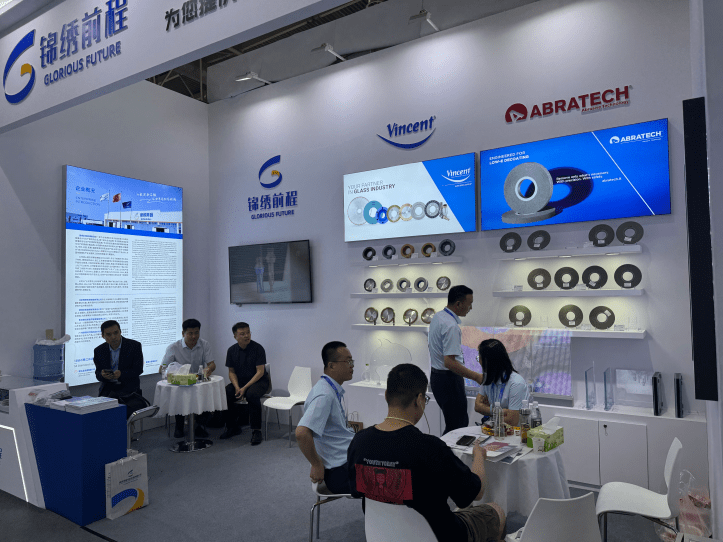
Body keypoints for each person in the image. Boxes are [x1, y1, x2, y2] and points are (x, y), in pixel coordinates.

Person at [347, 364, 505, 542]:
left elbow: (356, 491)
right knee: (496, 511)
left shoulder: (359, 442)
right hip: (439, 535)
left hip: (381, 534)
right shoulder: (430, 447)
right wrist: (478, 457)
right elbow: (475, 493)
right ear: (419, 400)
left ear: (386, 396)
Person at [296, 341, 356, 494]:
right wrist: (316, 464)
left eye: (352, 361)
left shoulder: (329, 388)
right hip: (339, 470)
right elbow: (301, 433)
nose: (352, 366)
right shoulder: (324, 395)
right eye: (348, 361)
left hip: (345, 458)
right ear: (331, 365)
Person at [428, 285, 483, 434]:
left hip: (437, 378)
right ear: (458, 304)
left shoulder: (438, 317)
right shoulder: (451, 326)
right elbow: (450, 362)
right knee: (458, 427)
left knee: (453, 423)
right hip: (449, 380)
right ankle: (445, 450)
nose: (471, 308)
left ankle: (444, 449)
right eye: (469, 304)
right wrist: (477, 376)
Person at [160, 318, 216, 438]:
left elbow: (212, 364)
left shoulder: (204, 344)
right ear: (183, 333)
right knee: (180, 395)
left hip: (198, 383)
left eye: (196, 333)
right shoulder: (173, 347)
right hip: (180, 384)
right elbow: (162, 368)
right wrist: (173, 372)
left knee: (208, 394)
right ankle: (179, 426)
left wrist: (208, 369)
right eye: (190, 333)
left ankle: (197, 425)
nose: (194, 336)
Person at [221, 322, 270, 445]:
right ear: (235, 336)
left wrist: (244, 388)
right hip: (240, 382)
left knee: (251, 394)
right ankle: (232, 427)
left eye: (248, 332)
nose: (246, 336)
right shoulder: (231, 350)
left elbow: (260, 372)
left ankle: (256, 430)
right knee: (226, 392)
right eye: (242, 334)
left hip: (259, 381)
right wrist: (237, 387)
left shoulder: (258, 348)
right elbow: (231, 372)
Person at [93, 320, 144, 418]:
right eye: (109, 334)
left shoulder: (134, 346)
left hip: (129, 390)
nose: (113, 337)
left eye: (116, 333)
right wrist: (103, 375)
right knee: (101, 414)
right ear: (103, 336)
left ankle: (127, 427)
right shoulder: (99, 350)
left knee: (122, 414)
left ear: (120, 332)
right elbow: (98, 374)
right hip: (108, 390)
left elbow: (138, 370)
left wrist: (121, 374)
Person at [474, 339, 529, 427]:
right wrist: (500, 411)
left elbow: (512, 421)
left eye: (480, 358)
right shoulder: (488, 379)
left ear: (488, 361)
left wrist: (487, 410)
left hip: (514, 432)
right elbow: (477, 407)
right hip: (494, 428)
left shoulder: (516, 383)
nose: (479, 362)